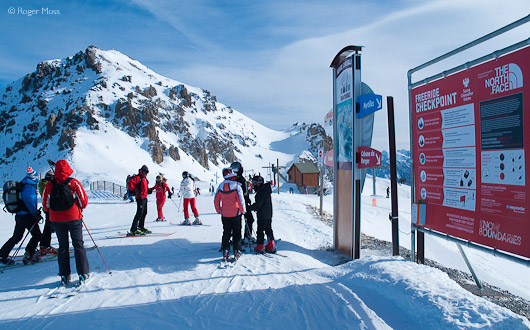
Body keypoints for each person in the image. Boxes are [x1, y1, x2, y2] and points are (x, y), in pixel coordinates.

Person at [41, 160, 89, 286]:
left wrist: (53, 212)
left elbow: (45, 205)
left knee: (63, 246)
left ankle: (64, 275)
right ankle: (83, 273)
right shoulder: (73, 182)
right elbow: (83, 201)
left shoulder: (49, 185)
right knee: (78, 245)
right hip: (74, 217)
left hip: (57, 220)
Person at [0, 167, 43, 265]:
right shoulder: (29, 186)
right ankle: (29, 254)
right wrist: (34, 213)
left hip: (19, 216)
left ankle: (2, 254)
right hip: (27, 216)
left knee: (17, 236)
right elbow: (29, 199)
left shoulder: (22, 184)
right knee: (37, 235)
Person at [214, 168, 246, 262]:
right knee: (237, 233)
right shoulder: (236, 186)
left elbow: (216, 200)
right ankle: (236, 250)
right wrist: (242, 211)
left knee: (226, 233)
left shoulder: (220, 186)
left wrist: (218, 210)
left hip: (225, 214)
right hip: (235, 213)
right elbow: (241, 200)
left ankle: (225, 250)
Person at [249, 175, 276, 253]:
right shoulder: (265, 190)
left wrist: (250, 208)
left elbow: (258, 205)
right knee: (268, 229)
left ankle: (260, 246)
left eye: (254, 183)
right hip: (268, 213)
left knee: (260, 230)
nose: (253, 185)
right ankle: (271, 245)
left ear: (258, 183)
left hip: (262, 215)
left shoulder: (260, 192)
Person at [230, 162, 254, 242]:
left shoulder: (234, 178)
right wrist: (246, 200)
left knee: (237, 220)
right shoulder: (239, 179)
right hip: (242, 203)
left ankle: (237, 237)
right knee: (248, 219)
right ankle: (246, 237)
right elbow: (243, 192)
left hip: (237, 203)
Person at [127, 165, 152, 235]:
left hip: (144, 197)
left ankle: (141, 226)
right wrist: (134, 190)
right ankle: (133, 229)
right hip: (140, 198)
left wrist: (148, 190)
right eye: (145, 172)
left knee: (144, 212)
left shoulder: (144, 179)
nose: (146, 173)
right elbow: (130, 183)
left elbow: (144, 188)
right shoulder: (138, 177)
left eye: (147, 172)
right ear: (142, 171)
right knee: (139, 213)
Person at [38, 170, 57, 255]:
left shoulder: (43, 184)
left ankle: (44, 245)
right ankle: (45, 246)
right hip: (50, 208)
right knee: (48, 228)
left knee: (48, 227)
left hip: (47, 208)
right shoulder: (47, 185)